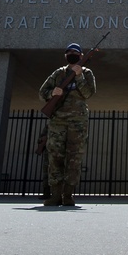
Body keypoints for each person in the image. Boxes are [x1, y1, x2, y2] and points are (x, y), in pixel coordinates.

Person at [39, 42, 96, 206]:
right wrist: (52, 93)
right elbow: (42, 92)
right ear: (65, 56)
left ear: (80, 55)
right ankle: (55, 195)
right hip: (57, 120)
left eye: (75, 52)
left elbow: (88, 93)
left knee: (74, 157)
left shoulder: (87, 73)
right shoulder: (58, 73)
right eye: (69, 52)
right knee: (55, 156)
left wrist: (78, 76)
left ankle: (68, 195)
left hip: (78, 122)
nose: (72, 53)